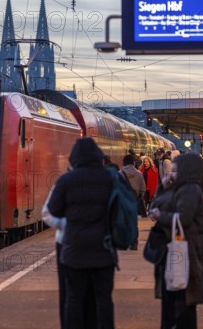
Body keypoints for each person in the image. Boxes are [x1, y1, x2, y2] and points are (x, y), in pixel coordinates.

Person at [48, 137, 117, 329]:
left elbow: (53, 210)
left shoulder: (66, 180)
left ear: (74, 157)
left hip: (73, 251)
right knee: (103, 299)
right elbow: (119, 210)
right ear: (98, 156)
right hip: (104, 251)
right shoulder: (110, 178)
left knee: (74, 299)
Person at [148, 153, 203, 329]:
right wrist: (163, 186)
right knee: (173, 300)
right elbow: (154, 207)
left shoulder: (190, 190)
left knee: (182, 302)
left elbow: (183, 218)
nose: (171, 173)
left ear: (186, 171)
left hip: (187, 254)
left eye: (175, 170)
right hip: (177, 252)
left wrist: (161, 216)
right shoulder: (178, 188)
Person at [42, 186, 96, 328]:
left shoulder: (65, 182)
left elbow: (47, 213)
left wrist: (68, 225)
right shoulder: (107, 180)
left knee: (70, 294)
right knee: (98, 296)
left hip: (67, 243)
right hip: (99, 244)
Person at [120, 154, 147, 248]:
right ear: (133, 162)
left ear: (124, 163)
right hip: (134, 199)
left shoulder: (120, 173)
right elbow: (143, 188)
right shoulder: (139, 174)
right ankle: (134, 243)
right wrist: (139, 195)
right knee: (133, 221)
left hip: (122, 199)